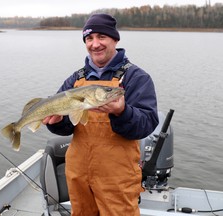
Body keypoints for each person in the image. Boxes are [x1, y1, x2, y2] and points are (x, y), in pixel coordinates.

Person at [42, 13, 159, 216]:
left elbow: (147, 124)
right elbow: (67, 127)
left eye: (101, 37)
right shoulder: (75, 80)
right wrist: (56, 122)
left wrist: (123, 112)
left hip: (117, 177)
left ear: (115, 39)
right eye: (89, 38)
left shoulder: (136, 78)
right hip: (78, 174)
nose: (95, 44)